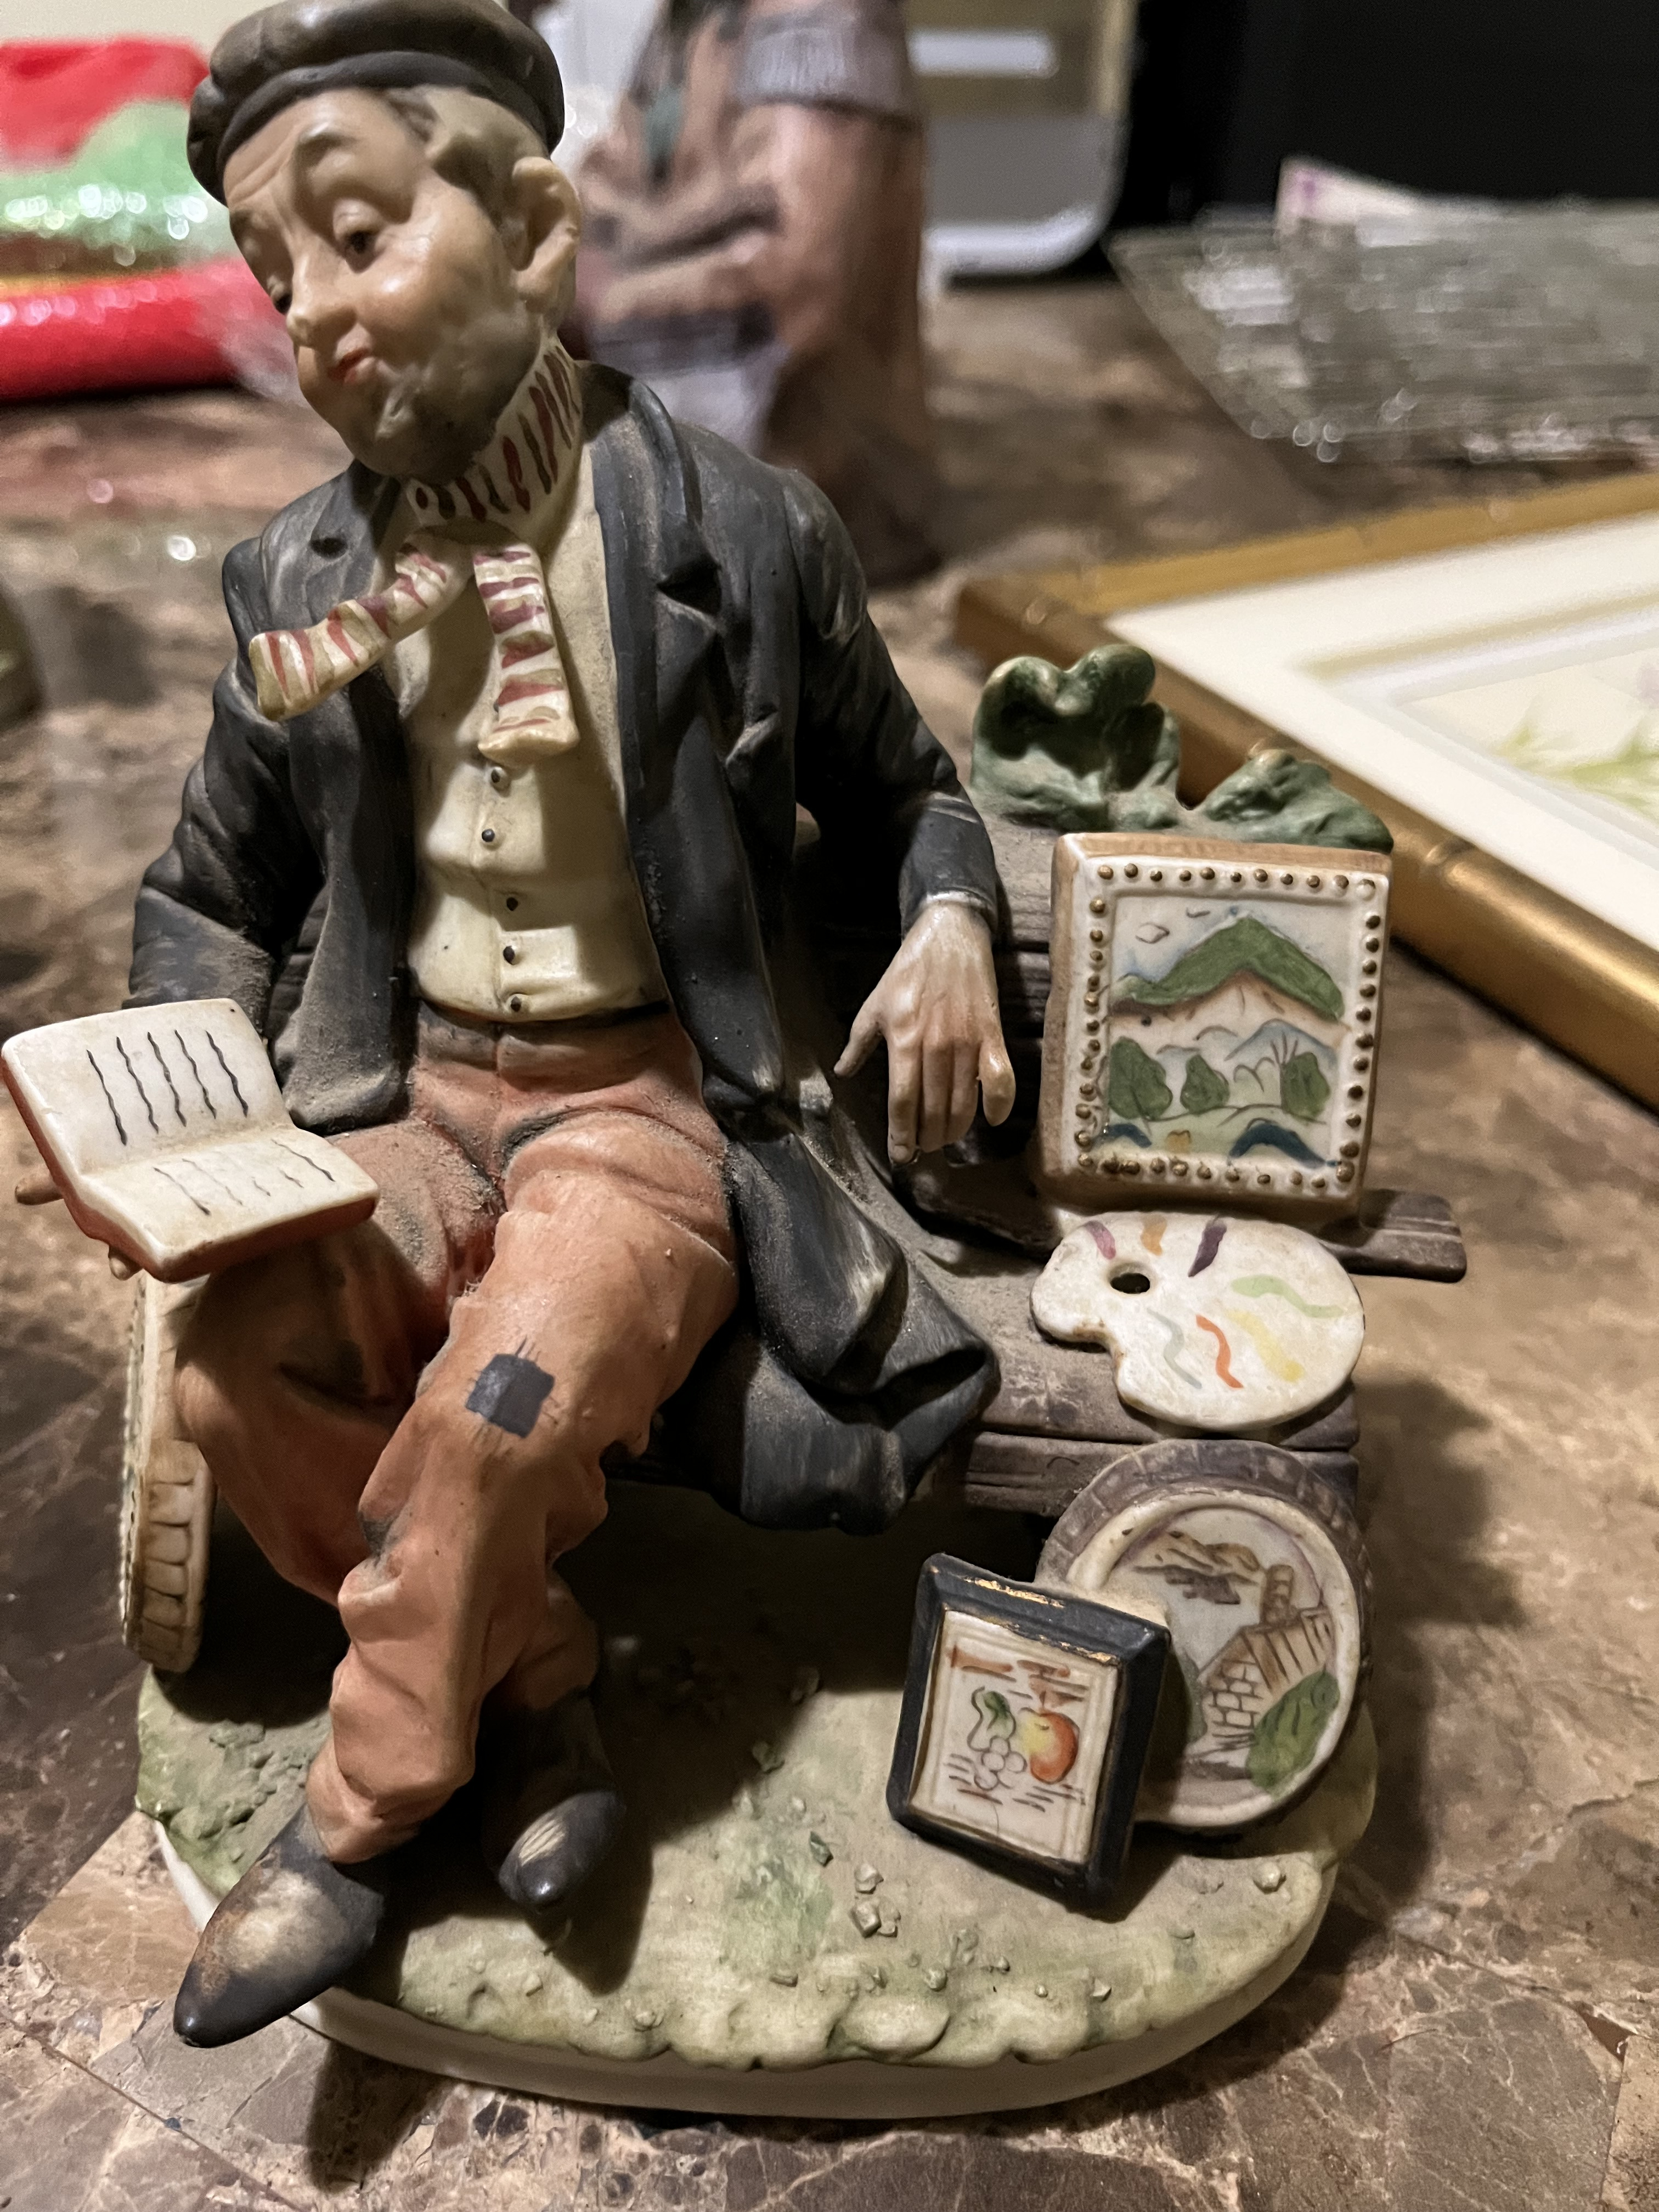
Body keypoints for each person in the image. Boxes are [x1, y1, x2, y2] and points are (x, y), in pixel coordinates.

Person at [18, 0, 1013, 2048]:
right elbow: (212, 891)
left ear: (539, 230)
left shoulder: (746, 535)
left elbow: (911, 793)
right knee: (237, 1372)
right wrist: (173, 1099)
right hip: (401, 1088)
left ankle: (352, 1829)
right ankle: (539, 1698)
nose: (317, 313)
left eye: (360, 234)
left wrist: (947, 925)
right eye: (277, 274)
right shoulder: (300, 580)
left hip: (646, 1107)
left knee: (503, 1411)